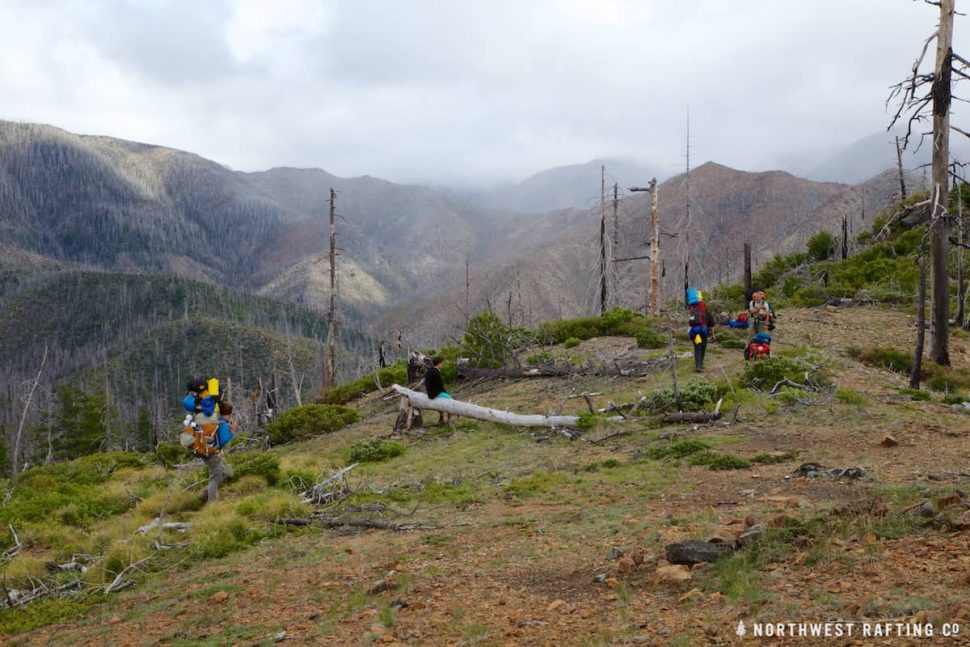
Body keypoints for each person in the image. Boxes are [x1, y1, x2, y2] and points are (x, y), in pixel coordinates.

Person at [687, 289, 717, 371]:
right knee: (703, 347)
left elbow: (690, 322)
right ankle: (701, 364)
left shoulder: (692, 310)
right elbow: (712, 325)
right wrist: (713, 334)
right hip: (703, 332)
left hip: (694, 332)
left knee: (697, 348)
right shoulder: (708, 313)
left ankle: (698, 365)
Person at [424, 356, 452, 425]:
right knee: (450, 400)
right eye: (442, 363)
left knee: (442, 400)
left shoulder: (429, 370)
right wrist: (446, 393)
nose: (442, 365)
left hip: (429, 393)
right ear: (439, 364)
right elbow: (440, 386)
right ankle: (449, 420)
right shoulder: (436, 372)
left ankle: (441, 418)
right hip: (435, 393)